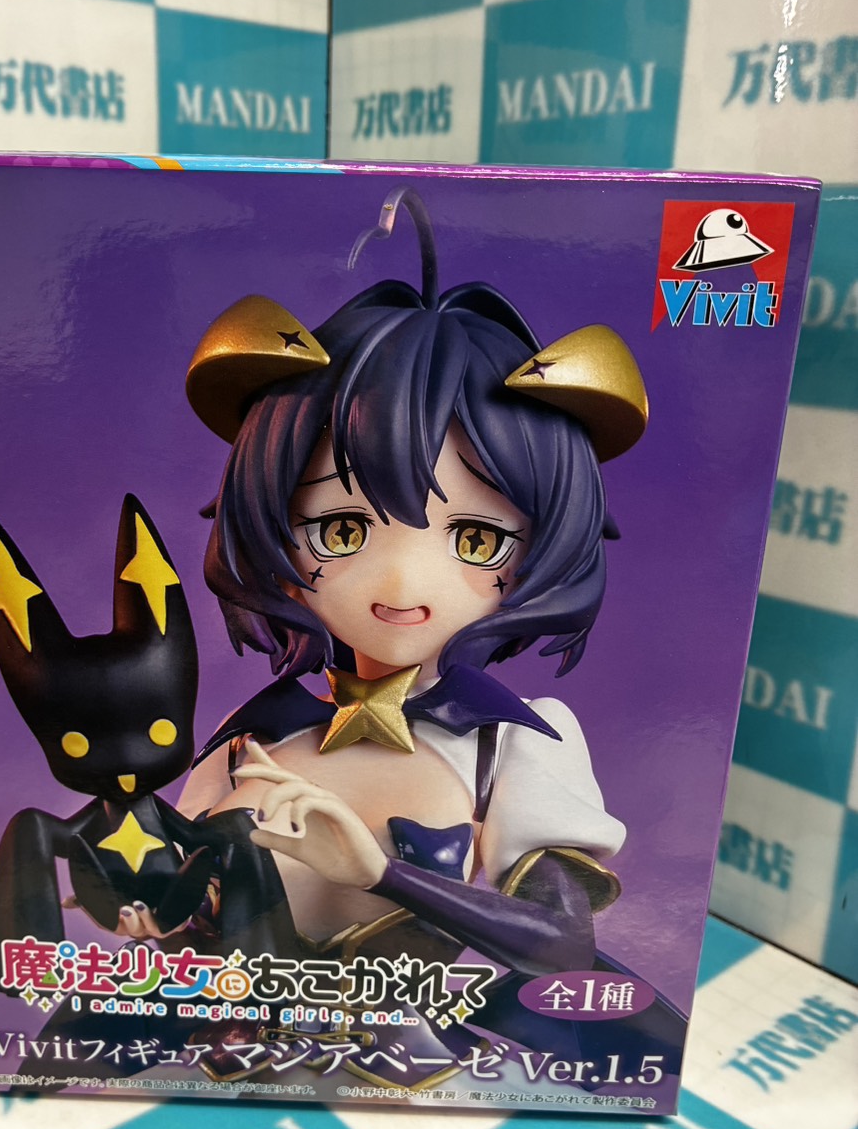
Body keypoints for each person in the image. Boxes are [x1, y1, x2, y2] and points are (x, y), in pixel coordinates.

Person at [174, 188, 678, 1083]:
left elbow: (561, 947)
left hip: (417, 1056)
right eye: (340, 529)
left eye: (476, 540)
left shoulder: (518, 745)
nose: (403, 585)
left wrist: (379, 871)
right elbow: (180, 900)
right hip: (244, 1050)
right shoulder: (252, 736)